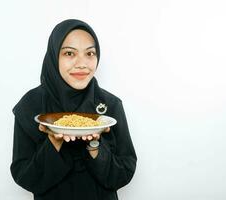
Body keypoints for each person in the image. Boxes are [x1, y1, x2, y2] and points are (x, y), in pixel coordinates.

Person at [10, 19, 137, 200]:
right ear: (54, 56)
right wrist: (54, 142)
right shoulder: (31, 106)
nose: (82, 63)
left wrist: (94, 146)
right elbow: (25, 178)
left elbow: (124, 173)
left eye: (90, 53)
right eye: (69, 53)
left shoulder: (110, 106)